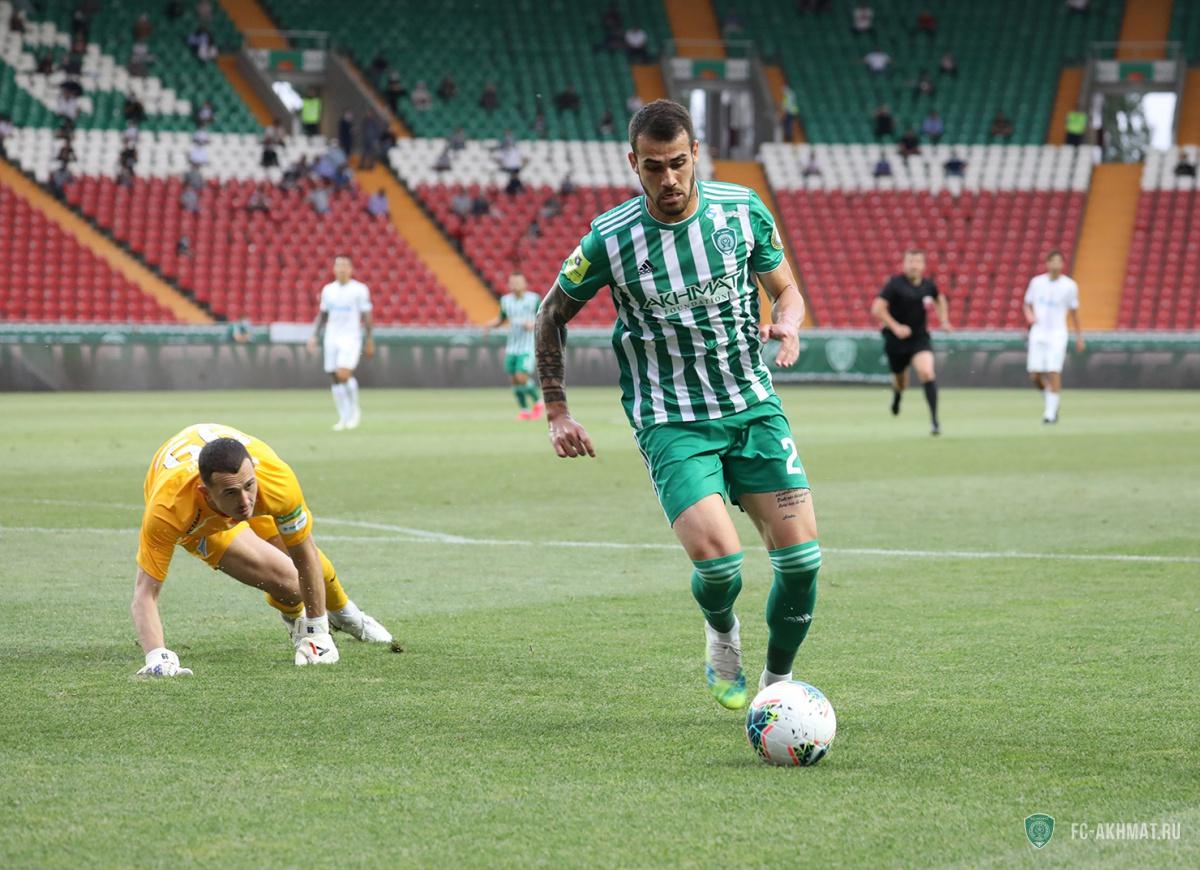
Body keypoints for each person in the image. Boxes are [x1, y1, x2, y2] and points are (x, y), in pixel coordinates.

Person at [533, 100, 820, 710]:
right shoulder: (611, 237)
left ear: (696, 156)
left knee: (802, 563)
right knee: (721, 565)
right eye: (654, 167)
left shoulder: (743, 210)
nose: (669, 179)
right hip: (671, 418)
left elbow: (787, 290)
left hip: (752, 405)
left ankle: (777, 689)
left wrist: (789, 323)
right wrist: (556, 410)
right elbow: (550, 314)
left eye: (679, 163)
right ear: (633, 164)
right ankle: (722, 631)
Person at [131, 423, 393, 676]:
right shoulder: (169, 510)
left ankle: (348, 616)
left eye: (249, 486)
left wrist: (318, 631)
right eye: (231, 492)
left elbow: (306, 557)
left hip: (245, 487)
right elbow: (145, 594)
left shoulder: (276, 482)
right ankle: (295, 620)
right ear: (206, 493)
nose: (245, 501)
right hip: (201, 524)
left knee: (316, 567)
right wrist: (157, 656)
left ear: (254, 472)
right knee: (291, 584)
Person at [870, 249, 953, 435]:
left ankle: (935, 422)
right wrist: (896, 327)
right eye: (910, 261)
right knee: (901, 383)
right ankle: (897, 395)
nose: (913, 265)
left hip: (919, 338)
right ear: (904, 264)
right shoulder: (895, 284)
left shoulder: (928, 285)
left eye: (917, 262)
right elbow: (877, 308)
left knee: (926, 372)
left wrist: (944, 320)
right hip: (896, 340)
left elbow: (939, 299)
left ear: (923, 266)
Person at [307, 255, 374, 431]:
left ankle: (354, 411)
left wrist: (369, 339)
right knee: (335, 377)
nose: (342, 269)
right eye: (339, 265)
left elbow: (366, 315)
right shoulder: (328, 290)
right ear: (334, 269)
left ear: (351, 269)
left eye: (345, 266)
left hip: (350, 337)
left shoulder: (359, 290)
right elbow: (323, 314)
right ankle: (343, 417)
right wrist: (314, 336)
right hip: (332, 337)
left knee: (343, 374)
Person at [1023, 250, 1084, 424]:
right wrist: (1030, 316)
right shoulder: (1037, 283)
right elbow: (1027, 304)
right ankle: (1052, 403)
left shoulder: (1069, 286)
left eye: (1059, 261)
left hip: (1057, 333)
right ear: (1047, 263)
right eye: (1052, 261)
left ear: (1063, 264)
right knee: (1035, 375)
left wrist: (1079, 337)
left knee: (1053, 371)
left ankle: (1049, 414)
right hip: (1039, 332)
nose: (1055, 264)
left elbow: (1074, 313)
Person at [483, 272, 544, 420]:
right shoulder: (506, 301)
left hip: (527, 345)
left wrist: (533, 324)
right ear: (509, 285)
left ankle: (538, 402)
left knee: (521, 377)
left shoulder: (533, 299)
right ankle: (524, 410)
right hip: (512, 346)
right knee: (514, 380)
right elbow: (502, 318)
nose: (515, 285)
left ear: (524, 284)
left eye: (518, 282)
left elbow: (543, 317)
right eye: (513, 283)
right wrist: (488, 326)